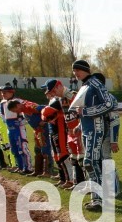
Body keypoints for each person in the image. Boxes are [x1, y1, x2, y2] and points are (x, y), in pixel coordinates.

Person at [69, 59, 117, 211]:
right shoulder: (85, 85)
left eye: (77, 70)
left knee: (90, 162)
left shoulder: (95, 83)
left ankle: (99, 199)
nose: (75, 73)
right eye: (73, 71)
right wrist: (80, 125)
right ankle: (99, 198)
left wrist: (86, 112)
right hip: (87, 130)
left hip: (97, 129)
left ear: (84, 69)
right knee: (94, 162)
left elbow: (109, 104)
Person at [41, 80, 74, 188]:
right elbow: (45, 115)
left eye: (49, 90)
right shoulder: (53, 101)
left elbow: (45, 113)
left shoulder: (59, 100)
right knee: (56, 156)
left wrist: (47, 116)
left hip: (61, 131)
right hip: (53, 131)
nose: (47, 93)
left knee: (63, 155)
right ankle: (63, 177)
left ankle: (70, 180)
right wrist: (46, 117)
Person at [0, 84, 36, 174]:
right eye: (2, 93)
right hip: (10, 129)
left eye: (5, 92)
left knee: (22, 147)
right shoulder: (2, 103)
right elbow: (2, 115)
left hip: (19, 128)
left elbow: (27, 111)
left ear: (11, 92)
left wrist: (22, 121)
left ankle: (28, 167)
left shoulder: (18, 101)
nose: (3, 94)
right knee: (14, 149)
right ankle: (20, 166)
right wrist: (6, 122)